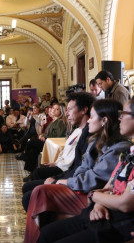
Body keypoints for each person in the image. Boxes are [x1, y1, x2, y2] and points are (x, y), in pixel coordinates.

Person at [24, 99, 131, 243]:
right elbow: (86, 170)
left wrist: (70, 184)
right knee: (39, 194)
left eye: (92, 117)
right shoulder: (97, 140)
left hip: (94, 196)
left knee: (40, 194)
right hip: (91, 192)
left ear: (104, 120)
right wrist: (70, 182)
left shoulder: (121, 148)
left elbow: (97, 180)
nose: (88, 122)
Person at [21, 92, 95, 208]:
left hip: (69, 176)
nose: (66, 113)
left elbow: (77, 168)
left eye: (70, 109)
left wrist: (57, 180)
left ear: (84, 110)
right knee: (28, 186)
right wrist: (57, 163)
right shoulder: (76, 131)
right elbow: (66, 152)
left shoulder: (88, 136)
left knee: (29, 193)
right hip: (66, 171)